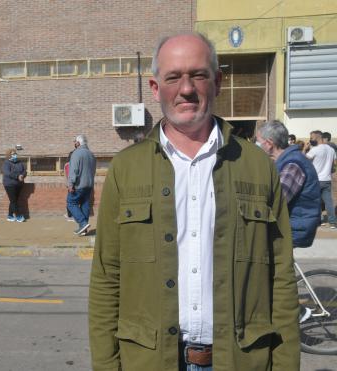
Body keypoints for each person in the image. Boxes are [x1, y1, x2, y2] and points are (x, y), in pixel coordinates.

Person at [89, 33, 299, 371]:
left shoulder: (259, 168)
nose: (186, 88)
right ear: (156, 88)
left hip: (241, 361)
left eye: (198, 75)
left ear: (217, 82)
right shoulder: (125, 170)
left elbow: (282, 279)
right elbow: (106, 279)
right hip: (149, 361)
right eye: (173, 77)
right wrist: (106, 365)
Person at [256, 121, 320, 247]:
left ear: (269, 143)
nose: (256, 145)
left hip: (293, 229)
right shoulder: (285, 161)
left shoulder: (293, 165)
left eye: (258, 141)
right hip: (290, 225)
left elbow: (277, 200)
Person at [303, 130, 337, 228]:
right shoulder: (331, 149)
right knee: (328, 202)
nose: (310, 140)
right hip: (327, 179)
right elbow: (334, 164)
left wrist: (305, 149)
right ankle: (333, 222)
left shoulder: (315, 149)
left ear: (318, 138)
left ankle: (319, 220)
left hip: (316, 179)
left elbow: (304, 160)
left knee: (315, 201)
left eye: (311, 138)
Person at [67, 135, 96, 236]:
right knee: (85, 204)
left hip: (79, 184)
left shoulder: (76, 153)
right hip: (89, 184)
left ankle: (83, 223)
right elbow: (93, 171)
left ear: (79, 143)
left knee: (71, 202)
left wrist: (71, 183)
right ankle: (83, 229)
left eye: (75, 141)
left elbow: (74, 170)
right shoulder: (91, 154)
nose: (74, 143)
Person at [2, 149, 27, 222]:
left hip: (19, 184)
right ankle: (18, 216)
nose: (15, 155)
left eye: (15, 154)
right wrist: (17, 176)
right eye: (13, 154)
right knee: (13, 201)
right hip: (9, 184)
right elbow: (7, 173)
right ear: (9, 155)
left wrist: (22, 175)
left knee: (14, 200)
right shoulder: (6, 163)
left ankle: (10, 216)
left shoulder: (20, 163)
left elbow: (24, 171)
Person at [63, 150, 75, 222]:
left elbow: (67, 176)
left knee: (70, 201)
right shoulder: (69, 165)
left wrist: (67, 185)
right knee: (71, 201)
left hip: (70, 185)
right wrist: (70, 185)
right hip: (72, 185)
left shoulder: (67, 164)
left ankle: (70, 215)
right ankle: (70, 215)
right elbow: (68, 175)